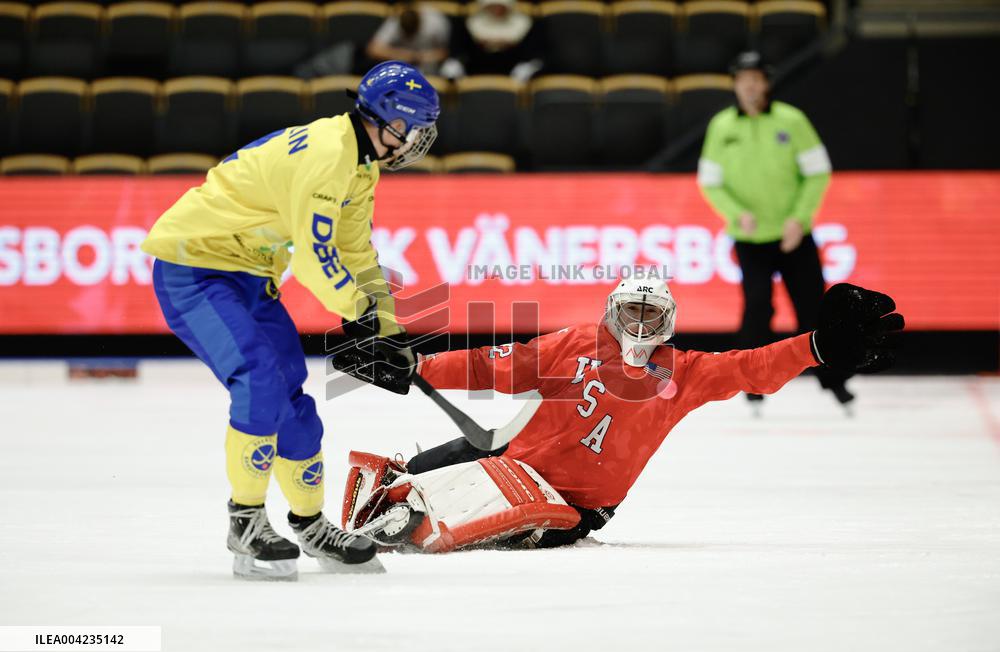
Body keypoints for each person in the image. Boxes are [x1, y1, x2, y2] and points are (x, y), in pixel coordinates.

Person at [334, 278, 904, 551]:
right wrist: (415, 367)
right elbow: (489, 365)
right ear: (609, 313)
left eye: (649, 316)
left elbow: (751, 366)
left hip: (571, 507)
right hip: (510, 467)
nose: (637, 325)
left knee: (425, 518)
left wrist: (815, 348)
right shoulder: (573, 343)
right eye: (628, 312)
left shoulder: (685, 374)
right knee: (411, 478)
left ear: (668, 325)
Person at [140, 61, 440, 580]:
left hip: (249, 272)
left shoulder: (359, 163)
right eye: (414, 129)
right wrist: (356, 312)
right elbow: (313, 256)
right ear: (389, 122)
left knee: (292, 396)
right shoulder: (329, 156)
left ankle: (309, 523)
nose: (417, 141)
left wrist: (385, 328)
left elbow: (354, 250)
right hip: (195, 268)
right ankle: (246, 522)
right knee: (257, 381)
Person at [697, 51, 853, 412]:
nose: (750, 85)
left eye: (756, 78)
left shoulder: (791, 120)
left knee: (813, 309)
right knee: (756, 309)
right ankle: (750, 385)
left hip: (794, 235)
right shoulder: (722, 127)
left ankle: (835, 382)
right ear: (735, 84)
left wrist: (799, 219)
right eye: (743, 79)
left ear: (766, 83)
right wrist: (736, 214)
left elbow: (818, 172)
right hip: (751, 240)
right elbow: (710, 181)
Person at [441, 0, 544, 82]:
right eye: (493, 6)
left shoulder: (525, 24)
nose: (497, 10)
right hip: (476, 68)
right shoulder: (470, 24)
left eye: (500, 6)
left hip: (513, 67)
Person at [365, 2, 450, 76]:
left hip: (431, 69)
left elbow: (444, 53)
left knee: (451, 68)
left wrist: (421, 57)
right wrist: (405, 55)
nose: (410, 37)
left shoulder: (436, 22)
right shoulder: (395, 21)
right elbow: (373, 49)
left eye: (412, 32)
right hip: (399, 69)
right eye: (406, 33)